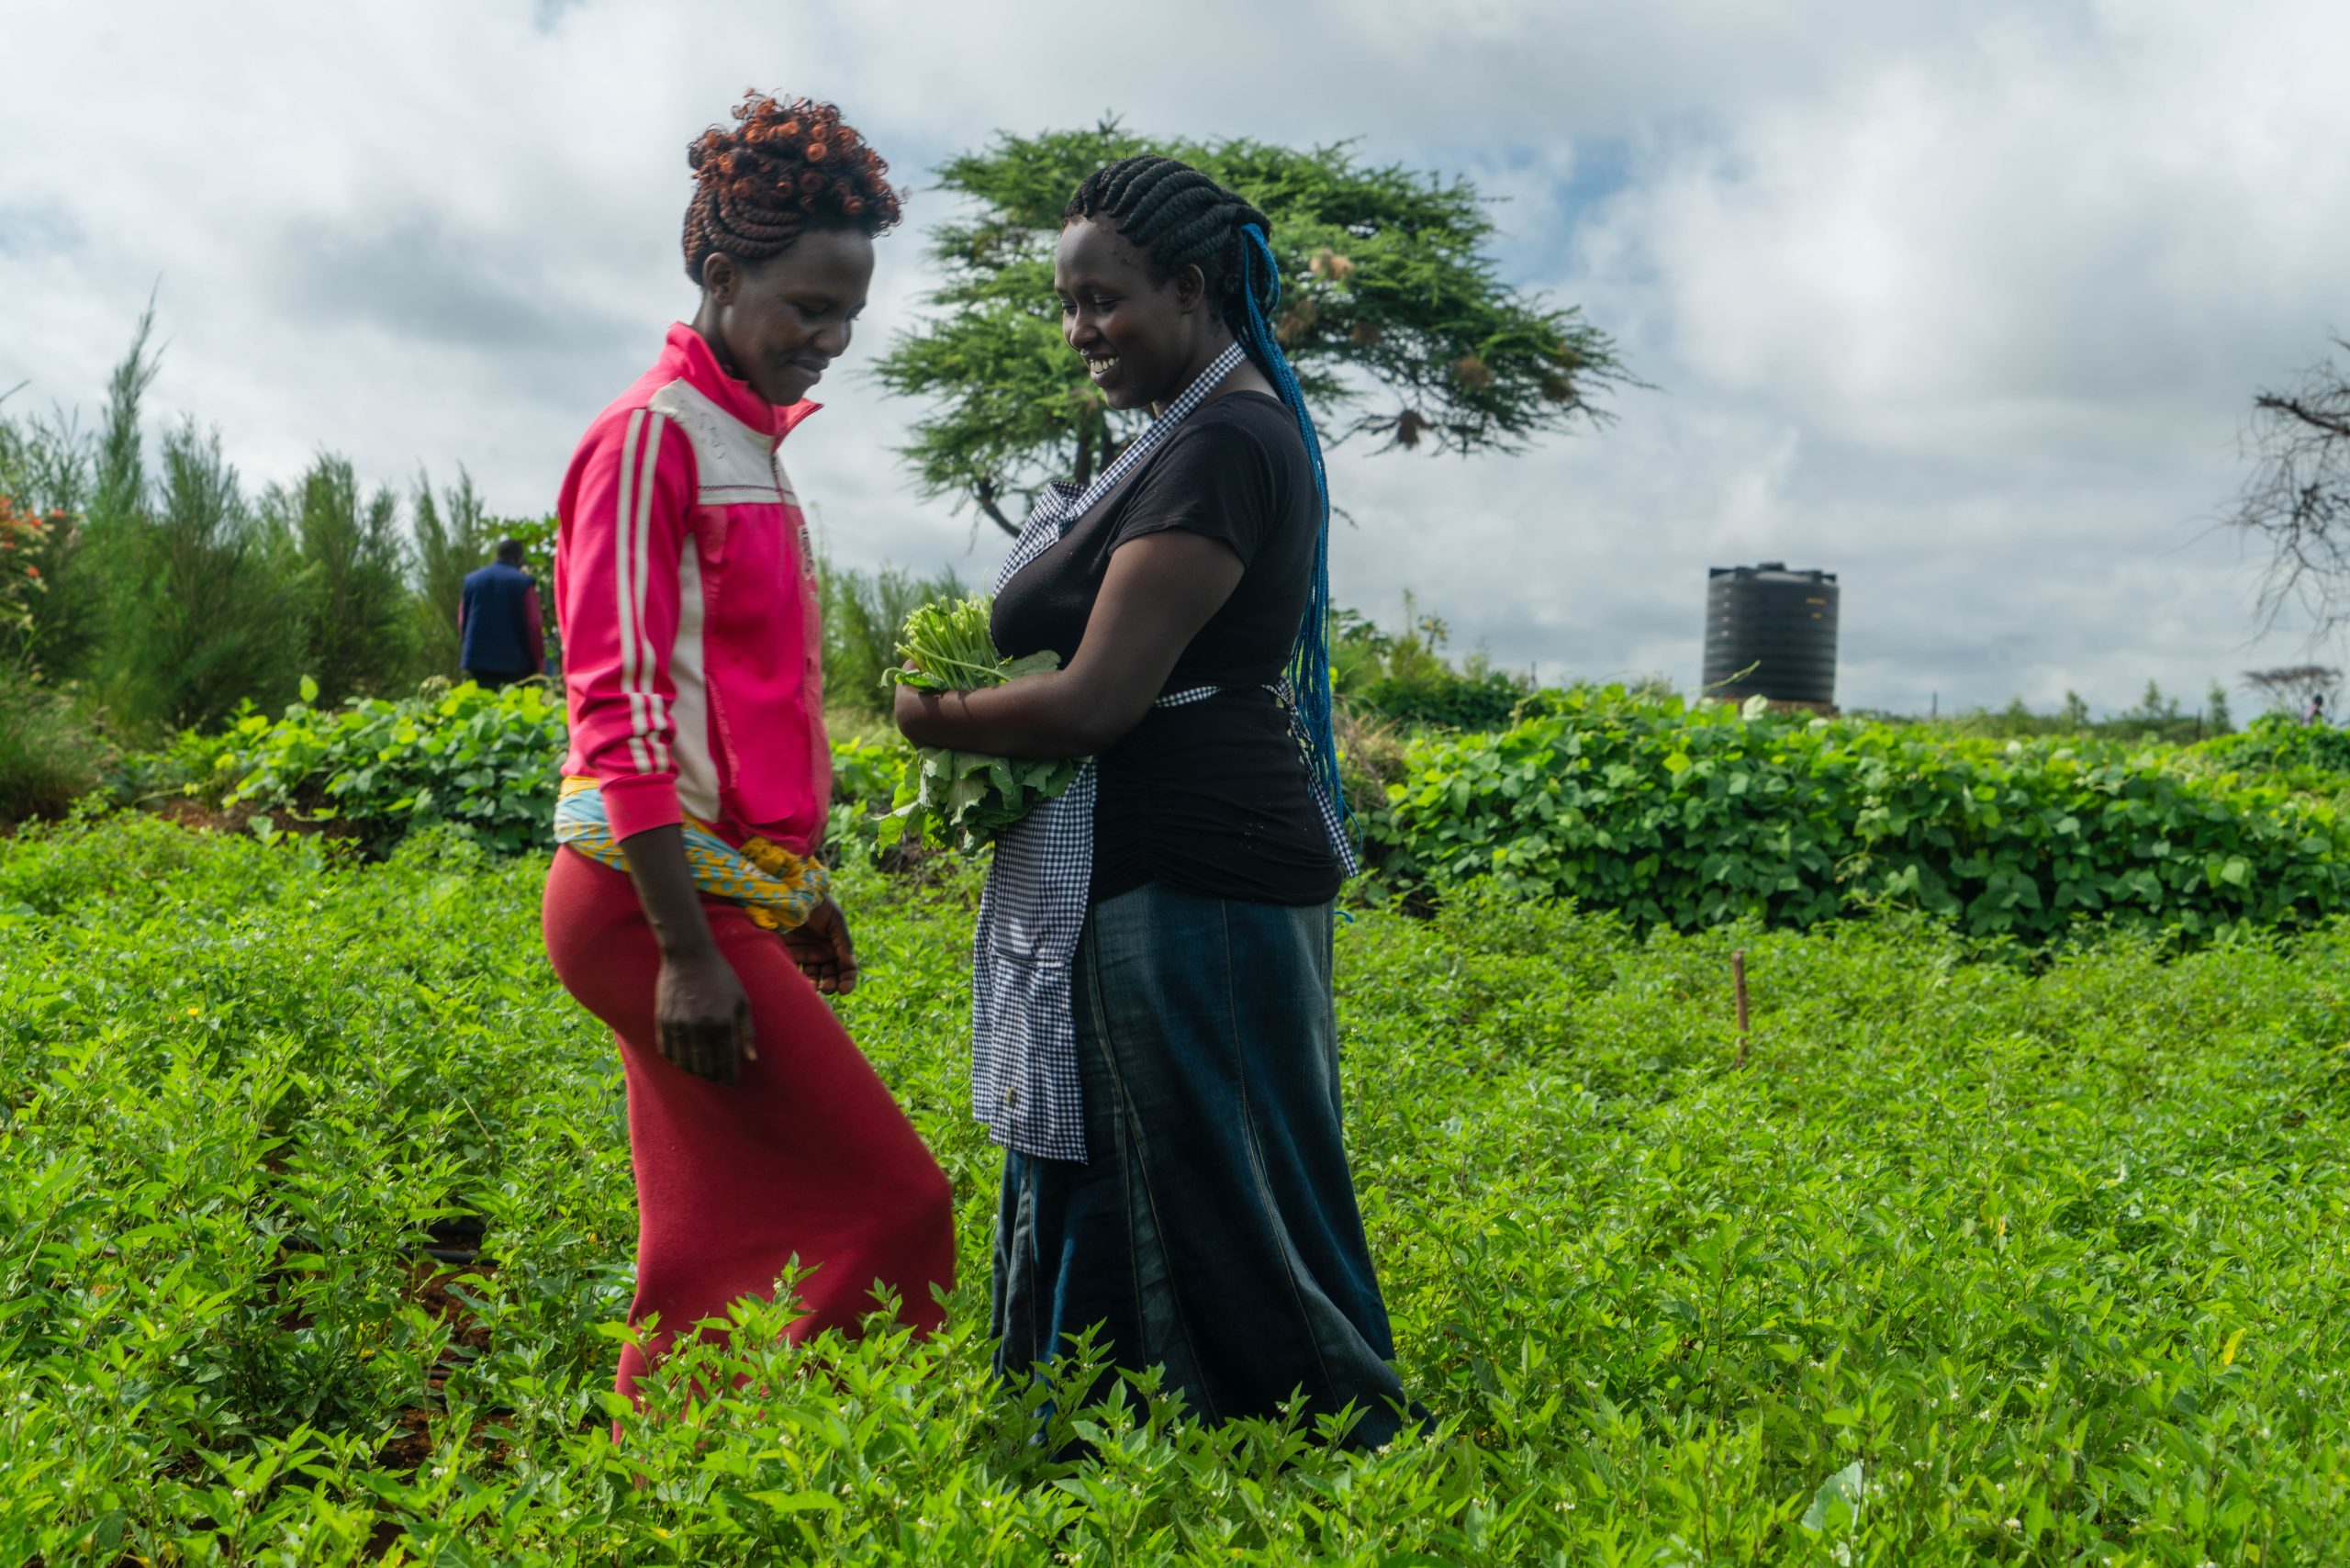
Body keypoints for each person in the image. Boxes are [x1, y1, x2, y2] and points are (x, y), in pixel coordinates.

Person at [894, 155, 1416, 1448]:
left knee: (1211, 1171)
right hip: (1150, 862)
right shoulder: (1186, 437)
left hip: (1192, 865)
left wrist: (925, 716)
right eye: (1065, 306)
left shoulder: (1226, 440)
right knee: (1148, 1159)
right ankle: (1109, 1443)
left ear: (1188, 288)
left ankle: (1299, 1443)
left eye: (1103, 301)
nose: (1080, 333)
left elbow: (1093, 703)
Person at [541, 92, 953, 1414]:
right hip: (645, 902)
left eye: (849, 319)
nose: (830, 343)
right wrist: (688, 948)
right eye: (808, 311)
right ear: (722, 277)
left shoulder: (746, 445)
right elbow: (623, 714)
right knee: (896, 1205)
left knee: (712, 1241)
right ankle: (834, 1483)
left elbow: (749, 707)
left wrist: (797, 884)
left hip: (719, 892)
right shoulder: (654, 435)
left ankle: (666, 1490)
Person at [456, 539, 545, 689]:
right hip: (516, 663)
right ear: (518, 558)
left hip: (478, 661)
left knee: (484, 708)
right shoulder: (524, 583)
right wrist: (538, 663)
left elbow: (462, 621)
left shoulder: (472, 581)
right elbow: (533, 625)